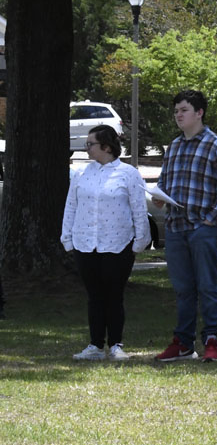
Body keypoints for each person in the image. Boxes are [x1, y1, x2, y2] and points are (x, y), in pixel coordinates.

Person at [154, 89, 217, 362]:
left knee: (207, 286)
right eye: (176, 111)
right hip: (175, 228)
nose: (178, 115)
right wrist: (159, 196)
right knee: (183, 289)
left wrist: (210, 220)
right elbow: (164, 182)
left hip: (204, 229)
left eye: (184, 110)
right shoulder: (174, 146)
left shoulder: (215, 144)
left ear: (199, 113)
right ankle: (183, 342)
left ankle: (212, 340)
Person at [61, 124, 151, 361]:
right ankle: (95, 345)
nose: (87, 148)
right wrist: (67, 238)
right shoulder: (81, 173)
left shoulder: (128, 173)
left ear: (107, 147)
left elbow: (138, 209)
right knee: (94, 295)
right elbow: (71, 206)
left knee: (114, 295)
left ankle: (116, 345)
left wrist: (139, 242)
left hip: (118, 244)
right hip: (85, 243)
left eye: (90, 144)